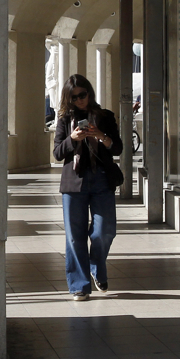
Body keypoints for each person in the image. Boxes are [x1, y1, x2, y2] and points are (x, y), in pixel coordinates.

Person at [52, 74, 124, 302]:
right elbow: (57, 154)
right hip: (74, 182)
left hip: (102, 179)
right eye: (74, 98)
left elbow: (118, 148)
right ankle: (79, 286)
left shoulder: (105, 117)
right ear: (68, 99)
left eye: (83, 95)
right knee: (75, 236)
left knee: (105, 231)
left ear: (90, 93)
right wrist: (73, 139)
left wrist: (101, 136)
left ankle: (96, 265)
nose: (79, 100)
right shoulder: (65, 120)